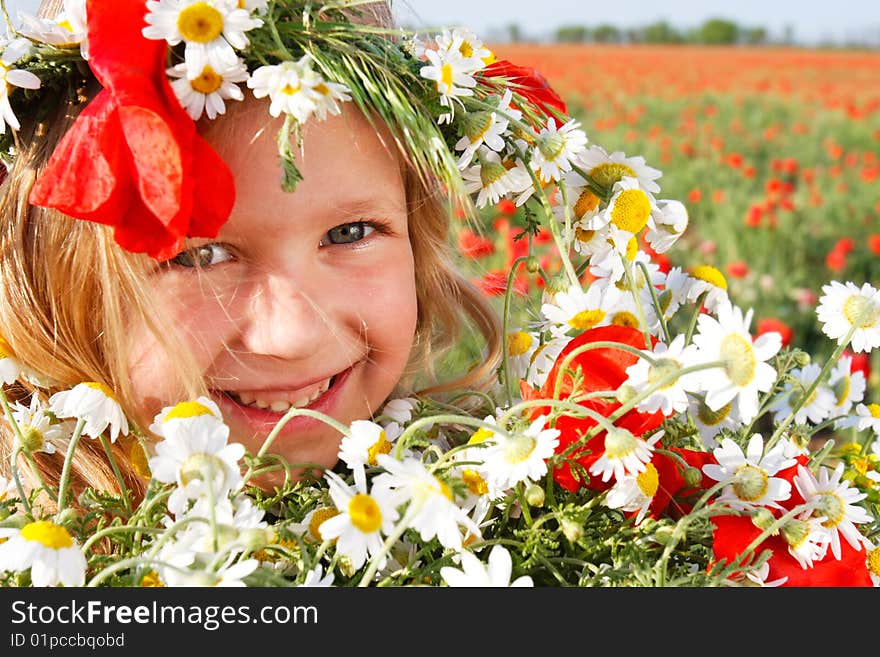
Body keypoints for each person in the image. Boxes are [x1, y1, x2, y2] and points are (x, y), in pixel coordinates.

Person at [0, 0, 507, 511]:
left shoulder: (484, 495)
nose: (293, 337)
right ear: (45, 283)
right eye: (200, 257)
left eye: (349, 232)